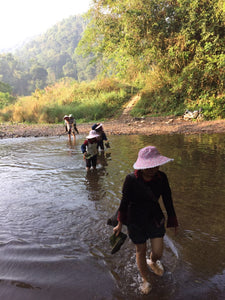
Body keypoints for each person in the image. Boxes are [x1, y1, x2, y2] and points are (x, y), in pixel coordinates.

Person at [113, 146, 178, 295]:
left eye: (154, 166)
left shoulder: (162, 178)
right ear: (141, 166)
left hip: (155, 217)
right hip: (135, 219)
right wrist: (119, 224)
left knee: (158, 251)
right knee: (140, 250)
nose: (151, 169)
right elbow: (124, 202)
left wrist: (173, 220)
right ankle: (145, 279)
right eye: (148, 167)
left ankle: (153, 261)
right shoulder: (130, 179)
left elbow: (167, 199)